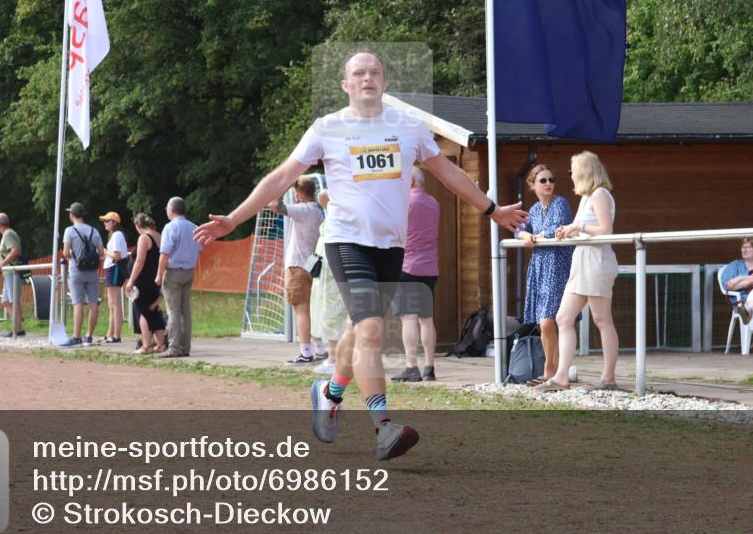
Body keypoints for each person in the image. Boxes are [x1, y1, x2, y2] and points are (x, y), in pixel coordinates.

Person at [195, 51, 527, 460]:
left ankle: (331, 392)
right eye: (358, 73)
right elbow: (282, 176)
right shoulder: (327, 128)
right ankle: (384, 426)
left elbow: (451, 173)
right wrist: (234, 218)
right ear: (345, 85)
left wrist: (492, 210)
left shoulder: (409, 127)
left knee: (360, 330)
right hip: (345, 240)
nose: (367, 77)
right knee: (370, 329)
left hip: (391, 246)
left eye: (374, 72)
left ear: (385, 83)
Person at [537, 151, 618, 392]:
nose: (570, 176)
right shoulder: (586, 197)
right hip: (581, 261)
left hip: (596, 261)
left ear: (584, 171)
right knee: (563, 317)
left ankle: (608, 376)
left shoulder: (600, 194)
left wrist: (578, 226)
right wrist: (571, 231)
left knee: (602, 319)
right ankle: (561, 376)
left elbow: (606, 230)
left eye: (572, 171)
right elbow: (586, 229)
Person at [516, 164, 574, 386]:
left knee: (549, 320)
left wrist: (536, 236)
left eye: (551, 179)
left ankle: (551, 369)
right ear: (533, 185)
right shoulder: (533, 209)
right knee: (543, 322)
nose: (549, 183)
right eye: (543, 181)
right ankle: (554, 368)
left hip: (557, 266)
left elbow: (557, 228)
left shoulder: (561, 203)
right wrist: (524, 234)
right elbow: (519, 228)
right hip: (540, 266)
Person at [391, 167, 440, 382]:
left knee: (408, 318)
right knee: (426, 319)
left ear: (410, 181)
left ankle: (412, 366)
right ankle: (430, 367)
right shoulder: (434, 203)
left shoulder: (404, 203)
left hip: (407, 265)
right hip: (430, 267)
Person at [269, 178, 326, 364]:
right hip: (312, 264)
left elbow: (274, 205)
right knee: (312, 309)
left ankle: (306, 352)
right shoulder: (318, 211)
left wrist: (282, 186)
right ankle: (320, 348)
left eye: (295, 192)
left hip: (297, 265)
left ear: (300, 193)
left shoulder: (303, 210)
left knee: (301, 309)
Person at [157, 197, 202, 358]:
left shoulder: (170, 228)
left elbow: (165, 254)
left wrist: (158, 275)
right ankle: (185, 347)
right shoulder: (194, 227)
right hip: (189, 271)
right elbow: (200, 248)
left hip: (173, 272)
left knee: (173, 311)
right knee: (185, 311)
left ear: (172, 210)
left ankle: (174, 347)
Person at [309, 189, 348, 375]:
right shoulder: (333, 207)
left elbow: (323, 195)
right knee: (330, 312)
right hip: (326, 268)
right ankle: (336, 358)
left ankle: (335, 359)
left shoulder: (346, 214)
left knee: (334, 313)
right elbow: (323, 195)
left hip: (334, 268)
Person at [61, 202, 105, 347]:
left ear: (72, 215)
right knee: (94, 303)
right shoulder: (94, 231)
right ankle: (89, 336)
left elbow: (66, 253)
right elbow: (102, 253)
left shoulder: (70, 231)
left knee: (77, 303)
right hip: (92, 271)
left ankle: (76, 337)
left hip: (76, 271)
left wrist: (75, 253)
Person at [126, 213, 168, 354]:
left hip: (143, 280)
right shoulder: (158, 236)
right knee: (154, 310)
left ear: (138, 226)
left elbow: (140, 261)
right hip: (155, 278)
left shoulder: (144, 238)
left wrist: (131, 280)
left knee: (141, 310)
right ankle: (161, 344)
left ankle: (146, 345)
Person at [0, 213, 26, 337]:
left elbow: (15, 251)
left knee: (13, 301)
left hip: (12, 272)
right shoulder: (6, 234)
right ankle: (18, 327)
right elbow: (2, 256)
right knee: (6, 301)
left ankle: (17, 329)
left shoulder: (9, 234)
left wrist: (1, 264)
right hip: (8, 272)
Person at [100, 212, 129, 343]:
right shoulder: (114, 235)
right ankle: (110, 333)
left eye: (107, 221)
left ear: (114, 223)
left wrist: (105, 251)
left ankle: (117, 334)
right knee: (112, 303)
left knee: (115, 303)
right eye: (104, 221)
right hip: (111, 268)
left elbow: (116, 255)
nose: (105, 223)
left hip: (115, 267)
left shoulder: (117, 235)